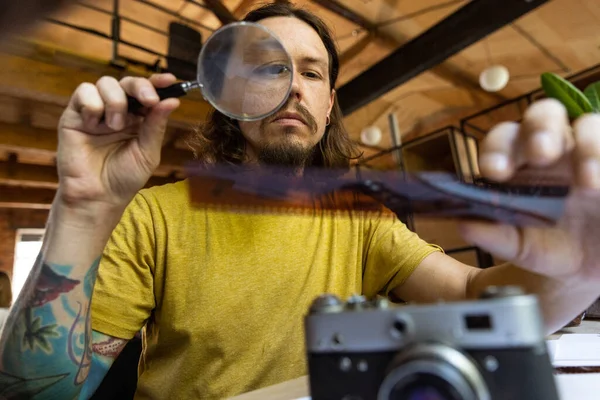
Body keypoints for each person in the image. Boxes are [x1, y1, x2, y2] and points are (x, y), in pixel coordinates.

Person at [1, 2, 599, 399]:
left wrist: (586, 263)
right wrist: (82, 207)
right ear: (225, 95)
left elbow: (479, 299)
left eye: (311, 73)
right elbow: (36, 394)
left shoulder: (359, 217)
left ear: (330, 102)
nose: (292, 87)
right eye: (267, 69)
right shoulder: (156, 216)